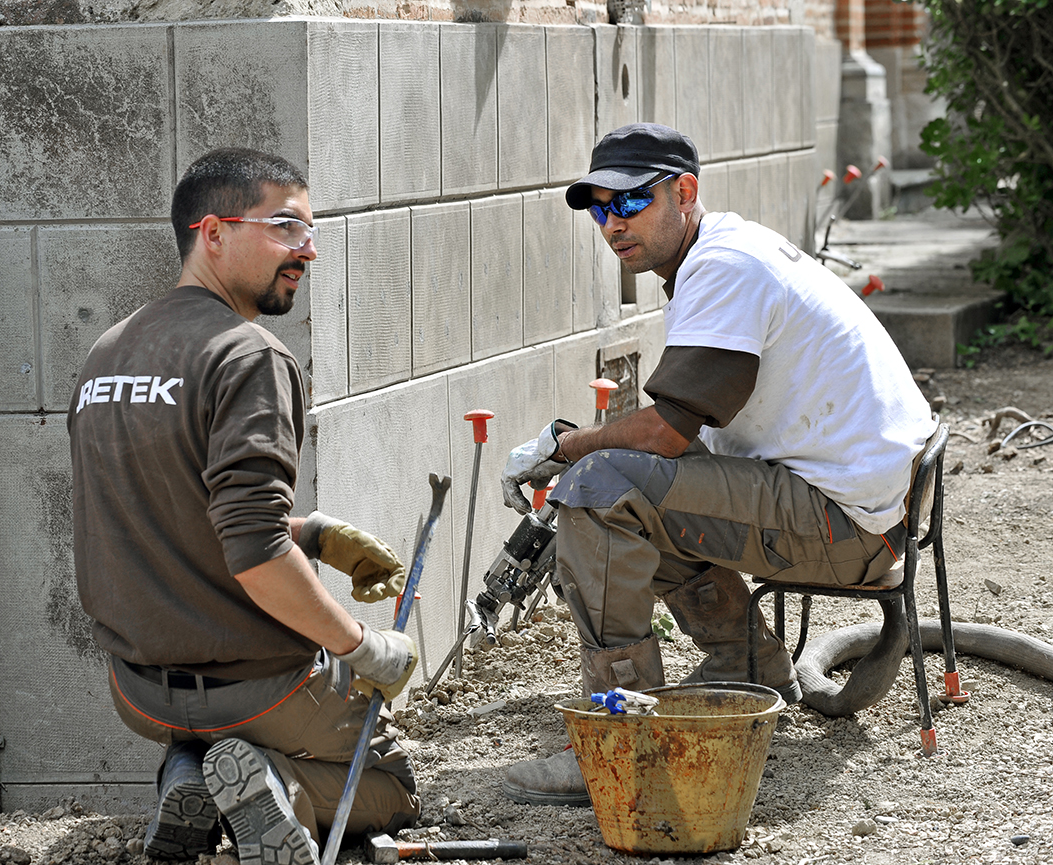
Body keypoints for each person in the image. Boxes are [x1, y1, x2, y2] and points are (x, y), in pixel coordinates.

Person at [498, 124, 936, 805]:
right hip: (865, 510)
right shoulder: (726, 247)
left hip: (846, 528)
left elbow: (668, 434)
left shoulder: (722, 267)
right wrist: (585, 441)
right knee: (625, 480)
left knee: (594, 491)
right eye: (599, 208)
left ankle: (624, 738)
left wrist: (564, 447)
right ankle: (752, 666)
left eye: (632, 201)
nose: (613, 223)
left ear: (684, 191)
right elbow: (674, 436)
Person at [68, 148, 422, 864]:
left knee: (207, 742)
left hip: (140, 692)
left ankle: (186, 772)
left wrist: (313, 532)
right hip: (257, 688)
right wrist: (362, 644)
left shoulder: (108, 353)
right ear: (214, 232)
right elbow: (256, 554)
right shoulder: (248, 355)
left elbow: (157, 511)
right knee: (389, 784)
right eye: (286, 228)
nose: (308, 250)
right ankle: (268, 777)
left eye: (309, 232)